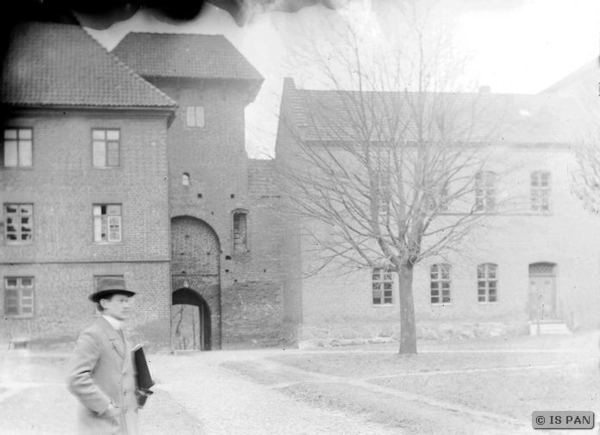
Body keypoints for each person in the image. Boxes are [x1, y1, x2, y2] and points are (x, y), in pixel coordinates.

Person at [66, 276, 139, 435]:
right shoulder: (93, 335)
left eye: (127, 301)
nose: (126, 305)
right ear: (104, 303)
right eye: (121, 301)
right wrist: (105, 406)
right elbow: (75, 378)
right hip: (100, 425)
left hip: (122, 424)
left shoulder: (120, 333)